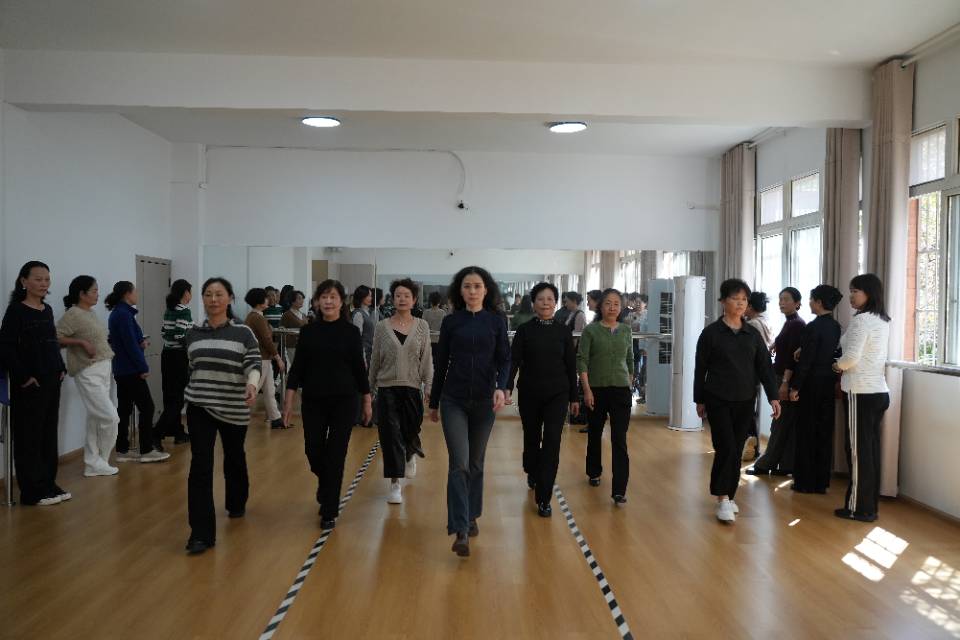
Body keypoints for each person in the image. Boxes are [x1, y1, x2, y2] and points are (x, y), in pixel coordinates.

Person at [429, 266, 510, 557]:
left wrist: (501, 387)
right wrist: (434, 402)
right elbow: (441, 363)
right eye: (467, 286)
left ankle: (472, 514)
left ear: (486, 290)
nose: (472, 291)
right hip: (454, 400)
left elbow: (505, 359)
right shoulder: (452, 322)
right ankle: (460, 529)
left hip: (485, 402)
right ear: (459, 291)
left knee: (475, 463)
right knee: (459, 463)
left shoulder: (496, 322)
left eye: (477, 286)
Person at [284, 280, 373, 530]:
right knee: (313, 451)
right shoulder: (308, 331)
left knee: (336, 454)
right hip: (314, 400)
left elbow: (359, 369)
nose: (328, 301)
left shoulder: (350, 332)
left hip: (345, 401)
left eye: (333, 297)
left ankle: (329, 509)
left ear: (341, 302)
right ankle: (327, 484)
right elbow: (297, 368)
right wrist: (288, 400)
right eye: (324, 297)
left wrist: (367, 400)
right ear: (316, 301)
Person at [183, 277, 262, 555]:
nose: (213, 299)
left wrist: (252, 384)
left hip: (233, 406)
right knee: (200, 466)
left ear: (229, 298)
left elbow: (253, 363)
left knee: (234, 456)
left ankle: (237, 501)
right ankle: (201, 534)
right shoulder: (193, 333)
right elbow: (192, 368)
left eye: (219, 294)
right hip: (200, 405)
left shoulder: (243, 332)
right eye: (208, 294)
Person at [694, 279, 780, 524]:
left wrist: (773, 396)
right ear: (723, 301)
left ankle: (729, 495)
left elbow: (764, 367)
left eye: (744, 299)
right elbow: (700, 368)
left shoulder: (752, 334)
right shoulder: (711, 333)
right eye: (735, 298)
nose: (740, 303)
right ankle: (722, 498)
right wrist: (699, 399)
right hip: (718, 398)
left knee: (736, 448)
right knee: (726, 447)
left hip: (745, 399)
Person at [506, 282, 578, 517]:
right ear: (534, 303)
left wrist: (574, 397)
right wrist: (507, 386)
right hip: (530, 393)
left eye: (549, 299)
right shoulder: (524, 330)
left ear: (555, 303)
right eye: (540, 299)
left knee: (552, 441)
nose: (545, 303)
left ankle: (544, 498)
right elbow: (514, 360)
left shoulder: (563, 331)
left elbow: (571, 365)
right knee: (532, 437)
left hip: (558, 394)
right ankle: (531, 469)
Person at [0, 261, 69, 505]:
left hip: (52, 379)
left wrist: (60, 368)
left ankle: (48, 483)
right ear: (24, 281)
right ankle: (32, 491)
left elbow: (51, 342)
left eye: (47, 279)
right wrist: (23, 376)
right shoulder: (16, 311)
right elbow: (5, 347)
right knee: (29, 436)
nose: (43, 283)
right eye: (38, 279)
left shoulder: (47, 309)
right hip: (30, 383)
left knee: (48, 434)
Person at [368, 279, 433, 505]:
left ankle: (410, 451)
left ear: (414, 300)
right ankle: (395, 483)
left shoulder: (422, 326)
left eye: (406, 295)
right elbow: (375, 359)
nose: (402, 299)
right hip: (387, 388)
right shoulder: (382, 327)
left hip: (412, 388)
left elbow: (426, 359)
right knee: (390, 435)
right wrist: (369, 388)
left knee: (410, 429)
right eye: (398, 295)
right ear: (392, 299)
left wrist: (429, 386)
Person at [833, 274, 891, 523]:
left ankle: (859, 508)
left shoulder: (862, 320)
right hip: (878, 391)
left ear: (869, 293)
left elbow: (850, 359)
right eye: (851, 290)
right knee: (869, 451)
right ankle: (868, 506)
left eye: (855, 291)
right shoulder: (882, 319)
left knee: (858, 453)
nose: (851, 296)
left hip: (860, 393)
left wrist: (835, 366)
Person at [57, 276, 120, 477]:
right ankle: (99, 460)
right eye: (94, 290)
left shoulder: (90, 313)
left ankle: (94, 463)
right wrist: (81, 343)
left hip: (103, 367)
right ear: (82, 294)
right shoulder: (73, 314)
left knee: (95, 418)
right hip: (87, 370)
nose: (97, 294)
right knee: (110, 417)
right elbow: (56, 337)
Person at [579, 288, 634, 506]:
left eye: (616, 304)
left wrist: (629, 379)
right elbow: (582, 360)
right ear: (600, 306)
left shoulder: (626, 330)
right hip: (596, 389)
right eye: (608, 303)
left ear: (621, 308)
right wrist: (586, 389)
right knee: (595, 433)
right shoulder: (590, 331)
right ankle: (594, 471)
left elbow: (630, 359)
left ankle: (619, 489)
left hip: (621, 390)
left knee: (619, 438)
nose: (612, 308)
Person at [107, 281, 169, 463]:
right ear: (127, 294)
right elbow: (129, 345)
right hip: (130, 369)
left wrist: (140, 342)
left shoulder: (121, 313)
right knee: (147, 407)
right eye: (134, 291)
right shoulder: (123, 315)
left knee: (125, 409)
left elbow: (128, 340)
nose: (137, 294)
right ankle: (147, 449)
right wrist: (143, 367)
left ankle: (122, 449)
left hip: (123, 369)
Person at [789, 285, 843, 494]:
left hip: (810, 384)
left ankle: (804, 482)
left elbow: (807, 361)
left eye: (811, 299)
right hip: (828, 382)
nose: (809, 303)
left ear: (819, 302)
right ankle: (821, 482)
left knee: (806, 432)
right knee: (823, 432)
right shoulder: (835, 326)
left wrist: (795, 386)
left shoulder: (812, 327)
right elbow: (831, 352)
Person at [747, 287, 806, 476]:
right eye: (780, 299)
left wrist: (785, 383)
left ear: (797, 303)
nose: (782, 303)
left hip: (784, 378)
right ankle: (786, 465)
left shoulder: (796, 324)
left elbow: (792, 358)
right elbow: (785, 345)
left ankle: (765, 464)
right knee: (785, 422)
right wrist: (775, 344)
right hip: (780, 376)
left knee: (779, 423)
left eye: (786, 299)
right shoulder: (790, 323)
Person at [243, 288, 285, 429]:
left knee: (269, 390)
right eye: (266, 298)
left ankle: (276, 418)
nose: (268, 300)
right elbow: (267, 340)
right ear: (260, 301)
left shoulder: (254, 316)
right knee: (253, 389)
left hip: (262, 357)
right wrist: (278, 357)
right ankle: (234, 415)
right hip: (260, 358)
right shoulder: (257, 318)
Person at [157, 279, 193, 444]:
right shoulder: (184, 311)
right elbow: (180, 335)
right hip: (179, 356)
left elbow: (163, 332)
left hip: (167, 354)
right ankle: (156, 434)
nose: (191, 295)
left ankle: (176, 431)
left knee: (169, 395)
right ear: (185, 292)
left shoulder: (169, 309)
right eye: (190, 292)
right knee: (178, 399)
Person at [742, 291, 774, 460]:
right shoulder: (765, 321)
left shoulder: (753, 324)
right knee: (750, 411)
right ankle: (752, 447)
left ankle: (749, 446)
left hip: (749, 371)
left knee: (745, 411)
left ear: (751, 306)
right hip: (758, 371)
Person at [280, 289, 307, 364]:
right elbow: (281, 329)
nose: (302, 301)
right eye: (299, 298)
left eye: (302, 298)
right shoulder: (287, 315)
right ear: (292, 301)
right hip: (292, 346)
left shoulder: (303, 315)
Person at [351, 285, 376, 366]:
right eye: (368, 296)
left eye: (371, 296)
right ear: (362, 296)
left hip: (370, 353)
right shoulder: (358, 314)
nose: (371, 298)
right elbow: (357, 338)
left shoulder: (367, 312)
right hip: (364, 354)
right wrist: (363, 359)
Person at [422, 291, 447, 365]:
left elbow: (423, 328)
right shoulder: (443, 313)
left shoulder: (426, 312)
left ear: (430, 301)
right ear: (439, 302)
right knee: (437, 363)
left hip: (428, 340)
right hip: (439, 340)